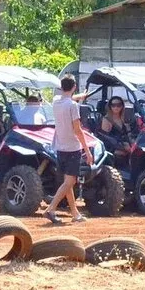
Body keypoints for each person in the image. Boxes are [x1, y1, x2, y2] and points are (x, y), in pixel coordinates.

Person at [43, 74, 93, 224]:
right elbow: (78, 130)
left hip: (60, 147)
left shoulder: (56, 101)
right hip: (72, 148)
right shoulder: (73, 106)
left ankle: (75, 213)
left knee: (68, 182)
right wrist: (87, 150)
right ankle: (51, 209)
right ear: (74, 87)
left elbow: (67, 97)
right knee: (70, 181)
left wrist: (81, 95)